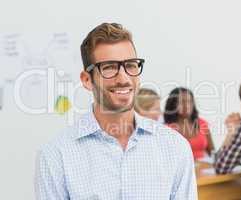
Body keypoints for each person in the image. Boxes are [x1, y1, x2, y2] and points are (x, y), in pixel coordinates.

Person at [34, 23, 197, 200]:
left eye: (131, 65)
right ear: (87, 80)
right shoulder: (56, 155)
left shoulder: (175, 147)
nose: (124, 78)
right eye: (109, 67)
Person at [164, 87, 214, 160]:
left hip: (203, 169)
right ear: (173, 104)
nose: (186, 106)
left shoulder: (202, 124)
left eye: (189, 102)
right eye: (181, 102)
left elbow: (212, 153)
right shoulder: (166, 129)